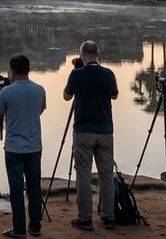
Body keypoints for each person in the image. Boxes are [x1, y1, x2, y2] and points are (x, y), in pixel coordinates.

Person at [61, 41, 118, 232]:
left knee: (84, 174)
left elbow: (66, 97)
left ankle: (85, 218)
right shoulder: (108, 73)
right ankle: (109, 216)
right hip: (105, 130)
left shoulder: (77, 74)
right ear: (98, 54)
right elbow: (114, 95)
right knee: (106, 175)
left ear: (82, 55)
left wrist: (78, 72)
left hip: (84, 130)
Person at [0, 54, 46, 239]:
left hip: (14, 148)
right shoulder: (40, 90)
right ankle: (36, 226)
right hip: (34, 146)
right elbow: (40, 109)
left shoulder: (7, 92)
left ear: (12, 71)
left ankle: (19, 229)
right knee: (34, 187)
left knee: (16, 190)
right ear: (29, 69)